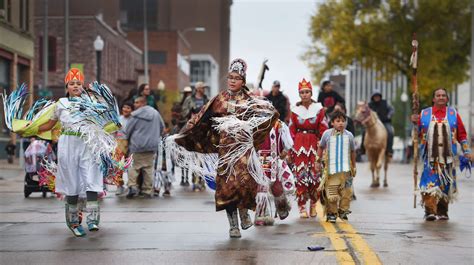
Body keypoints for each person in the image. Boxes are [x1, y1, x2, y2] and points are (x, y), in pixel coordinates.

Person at [168, 58, 279, 238]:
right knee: (227, 187)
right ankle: (233, 225)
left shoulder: (250, 100)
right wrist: (181, 134)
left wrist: (249, 125)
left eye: (236, 78)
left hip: (243, 149)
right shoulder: (219, 99)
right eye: (230, 77)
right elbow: (200, 117)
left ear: (243, 81)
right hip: (226, 149)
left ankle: (244, 213)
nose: (232, 81)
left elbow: (269, 113)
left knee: (244, 183)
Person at [34, 68, 122, 236]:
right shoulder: (60, 104)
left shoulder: (92, 103)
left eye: (79, 83)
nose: (75, 86)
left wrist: (113, 122)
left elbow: (106, 120)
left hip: (88, 144)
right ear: (66, 86)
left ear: (83, 86)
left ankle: (93, 219)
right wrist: (29, 129)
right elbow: (50, 124)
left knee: (91, 178)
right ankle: (74, 222)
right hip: (68, 145)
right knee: (71, 182)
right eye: (72, 83)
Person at [411, 88, 472, 221]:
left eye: (443, 95)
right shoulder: (424, 114)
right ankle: (429, 210)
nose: (441, 97)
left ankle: (443, 210)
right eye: (438, 95)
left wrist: (467, 151)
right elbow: (417, 134)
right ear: (433, 99)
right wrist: (414, 123)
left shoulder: (453, 114)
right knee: (429, 183)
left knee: (446, 183)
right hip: (430, 157)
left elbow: (461, 134)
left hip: (448, 157)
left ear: (447, 99)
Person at [289, 78, 328, 218]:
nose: (305, 94)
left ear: (311, 93)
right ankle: (301, 207)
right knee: (300, 176)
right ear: (299, 94)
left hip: (314, 143)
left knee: (315, 175)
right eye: (302, 92)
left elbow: (323, 128)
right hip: (299, 144)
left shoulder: (319, 109)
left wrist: (322, 146)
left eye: (307, 92)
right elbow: (291, 130)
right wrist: (290, 147)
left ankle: (313, 205)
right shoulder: (294, 110)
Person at [317, 110, 356, 222]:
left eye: (343, 121)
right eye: (338, 121)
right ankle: (331, 213)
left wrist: (354, 166)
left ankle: (343, 210)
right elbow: (321, 147)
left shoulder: (349, 136)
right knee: (332, 193)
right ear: (332, 123)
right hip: (331, 171)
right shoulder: (327, 134)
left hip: (346, 170)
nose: (341, 123)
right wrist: (317, 161)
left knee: (347, 192)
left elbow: (353, 151)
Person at [254, 119, 295, 226]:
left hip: (274, 160)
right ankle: (261, 215)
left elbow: (287, 140)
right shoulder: (253, 122)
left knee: (277, 188)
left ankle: (282, 206)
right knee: (261, 189)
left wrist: (285, 150)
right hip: (258, 160)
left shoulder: (278, 124)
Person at [125, 96, 164, 199]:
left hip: (137, 145)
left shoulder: (135, 115)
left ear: (143, 103)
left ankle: (133, 186)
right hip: (151, 146)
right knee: (149, 168)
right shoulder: (155, 113)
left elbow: (128, 130)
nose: (134, 105)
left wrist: (127, 142)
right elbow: (162, 127)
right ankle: (147, 190)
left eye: (137, 102)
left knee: (133, 167)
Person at [181, 82, 210, 191]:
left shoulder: (207, 100)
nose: (204, 89)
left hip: (204, 130)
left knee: (202, 158)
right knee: (193, 156)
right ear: (198, 89)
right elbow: (183, 113)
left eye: (204, 88)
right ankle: (194, 181)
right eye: (202, 88)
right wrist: (191, 113)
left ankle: (202, 181)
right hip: (192, 130)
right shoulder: (189, 99)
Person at [362, 89, 395, 156]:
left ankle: (389, 150)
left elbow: (392, 110)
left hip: (384, 122)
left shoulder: (385, 103)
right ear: (373, 97)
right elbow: (365, 113)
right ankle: (362, 149)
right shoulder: (369, 105)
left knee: (390, 132)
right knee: (364, 132)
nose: (376, 97)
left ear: (380, 96)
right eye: (375, 96)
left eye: (378, 96)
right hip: (373, 123)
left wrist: (389, 115)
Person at [114, 101, 134, 196]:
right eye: (124, 107)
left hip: (130, 143)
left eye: (128, 108)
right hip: (119, 143)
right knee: (119, 166)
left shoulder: (133, 119)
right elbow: (113, 131)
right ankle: (119, 186)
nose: (125, 109)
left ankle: (131, 186)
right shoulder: (118, 119)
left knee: (131, 166)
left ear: (132, 110)